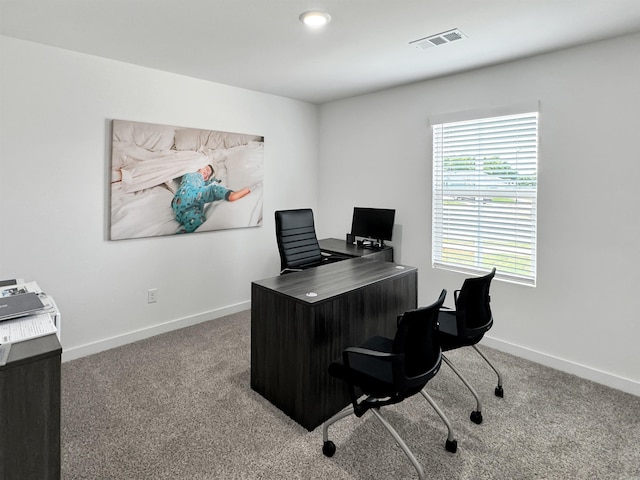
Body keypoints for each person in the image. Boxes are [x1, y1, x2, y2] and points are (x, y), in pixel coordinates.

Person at [171, 164, 250, 233]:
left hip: (180, 210)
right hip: (189, 194)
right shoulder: (191, 172)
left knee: (198, 220)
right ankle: (230, 194)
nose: (207, 174)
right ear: (199, 167)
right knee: (212, 190)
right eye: (207, 169)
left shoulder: (202, 181)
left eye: (208, 176)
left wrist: (213, 180)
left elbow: (207, 182)